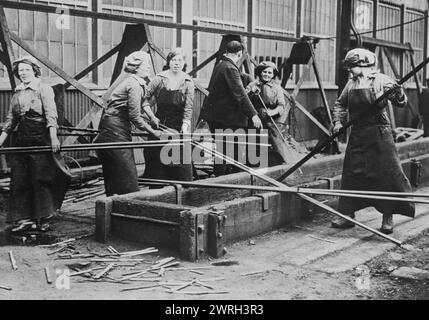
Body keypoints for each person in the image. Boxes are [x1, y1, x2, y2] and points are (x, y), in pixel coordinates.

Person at [331, 48, 415, 234]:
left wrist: (398, 92)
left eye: (351, 66)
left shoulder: (382, 80)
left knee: (386, 175)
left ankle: (387, 217)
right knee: (352, 173)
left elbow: (400, 102)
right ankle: (347, 215)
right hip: (358, 133)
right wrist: (337, 122)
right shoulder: (351, 84)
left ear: (362, 65)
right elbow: (340, 104)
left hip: (380, 133)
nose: (349, 70)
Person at [0, 56, 70, 233]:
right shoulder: (18, 92)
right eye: (20, 70)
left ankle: (44, 217)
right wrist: (0, 141)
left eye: (26, 70)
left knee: (40, 178)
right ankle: (24, 219)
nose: (23, 73)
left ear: (35, 71)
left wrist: (54, 138)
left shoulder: (43, 89)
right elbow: (11, 120)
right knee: (20, 179)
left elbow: (51, 114)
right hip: (22, 139)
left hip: (41, 136)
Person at [94, 51, 160, 196]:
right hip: (114, 129)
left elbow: (142, 103)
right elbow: (135, 117)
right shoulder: (133, 85)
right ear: (136, 67)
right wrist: (153, 132)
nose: (149, 67)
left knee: (120, 169)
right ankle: (125, 202)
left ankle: (116, 200)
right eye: (146, 65)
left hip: (118, 126)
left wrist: (152, 117)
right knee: (125, 170)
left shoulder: (137, 82)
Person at [200, 40, 262, 176]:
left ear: (226, 52)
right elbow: (239, 94)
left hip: (217, 117)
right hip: (225, 119)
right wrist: (253, 114)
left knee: (223, 150)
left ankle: (223, 178)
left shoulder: (221, 65)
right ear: (240, 54)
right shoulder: (230, 68)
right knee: (228, 151)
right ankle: (225, 181)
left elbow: (232, 90)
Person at [142, 48, 194, 181]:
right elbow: (144, 99)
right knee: (156, 162)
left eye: (180, 60)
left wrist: (186, 124)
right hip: (160, 125)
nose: (177, 63)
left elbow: (188, 107)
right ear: (169, 62)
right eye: (174, 60)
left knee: (180, 163)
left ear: (184, 63)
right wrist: (151, 116)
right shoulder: (159, 78)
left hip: (178, 126)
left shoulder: (188, 81)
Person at [246, 61, 286, 166]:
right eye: (265, 72)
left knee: (276, 142)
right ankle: (254, 166)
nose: (267, 74)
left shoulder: (277, 88)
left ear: (273, 75)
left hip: (271, 121)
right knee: (255, 143)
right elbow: (244, 99)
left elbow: (282, 106)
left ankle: (281, 164)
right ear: (260, 72)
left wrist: (272, 112)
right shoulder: (252, 85)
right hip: (256, 119)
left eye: (269, 72)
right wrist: (250, 92)